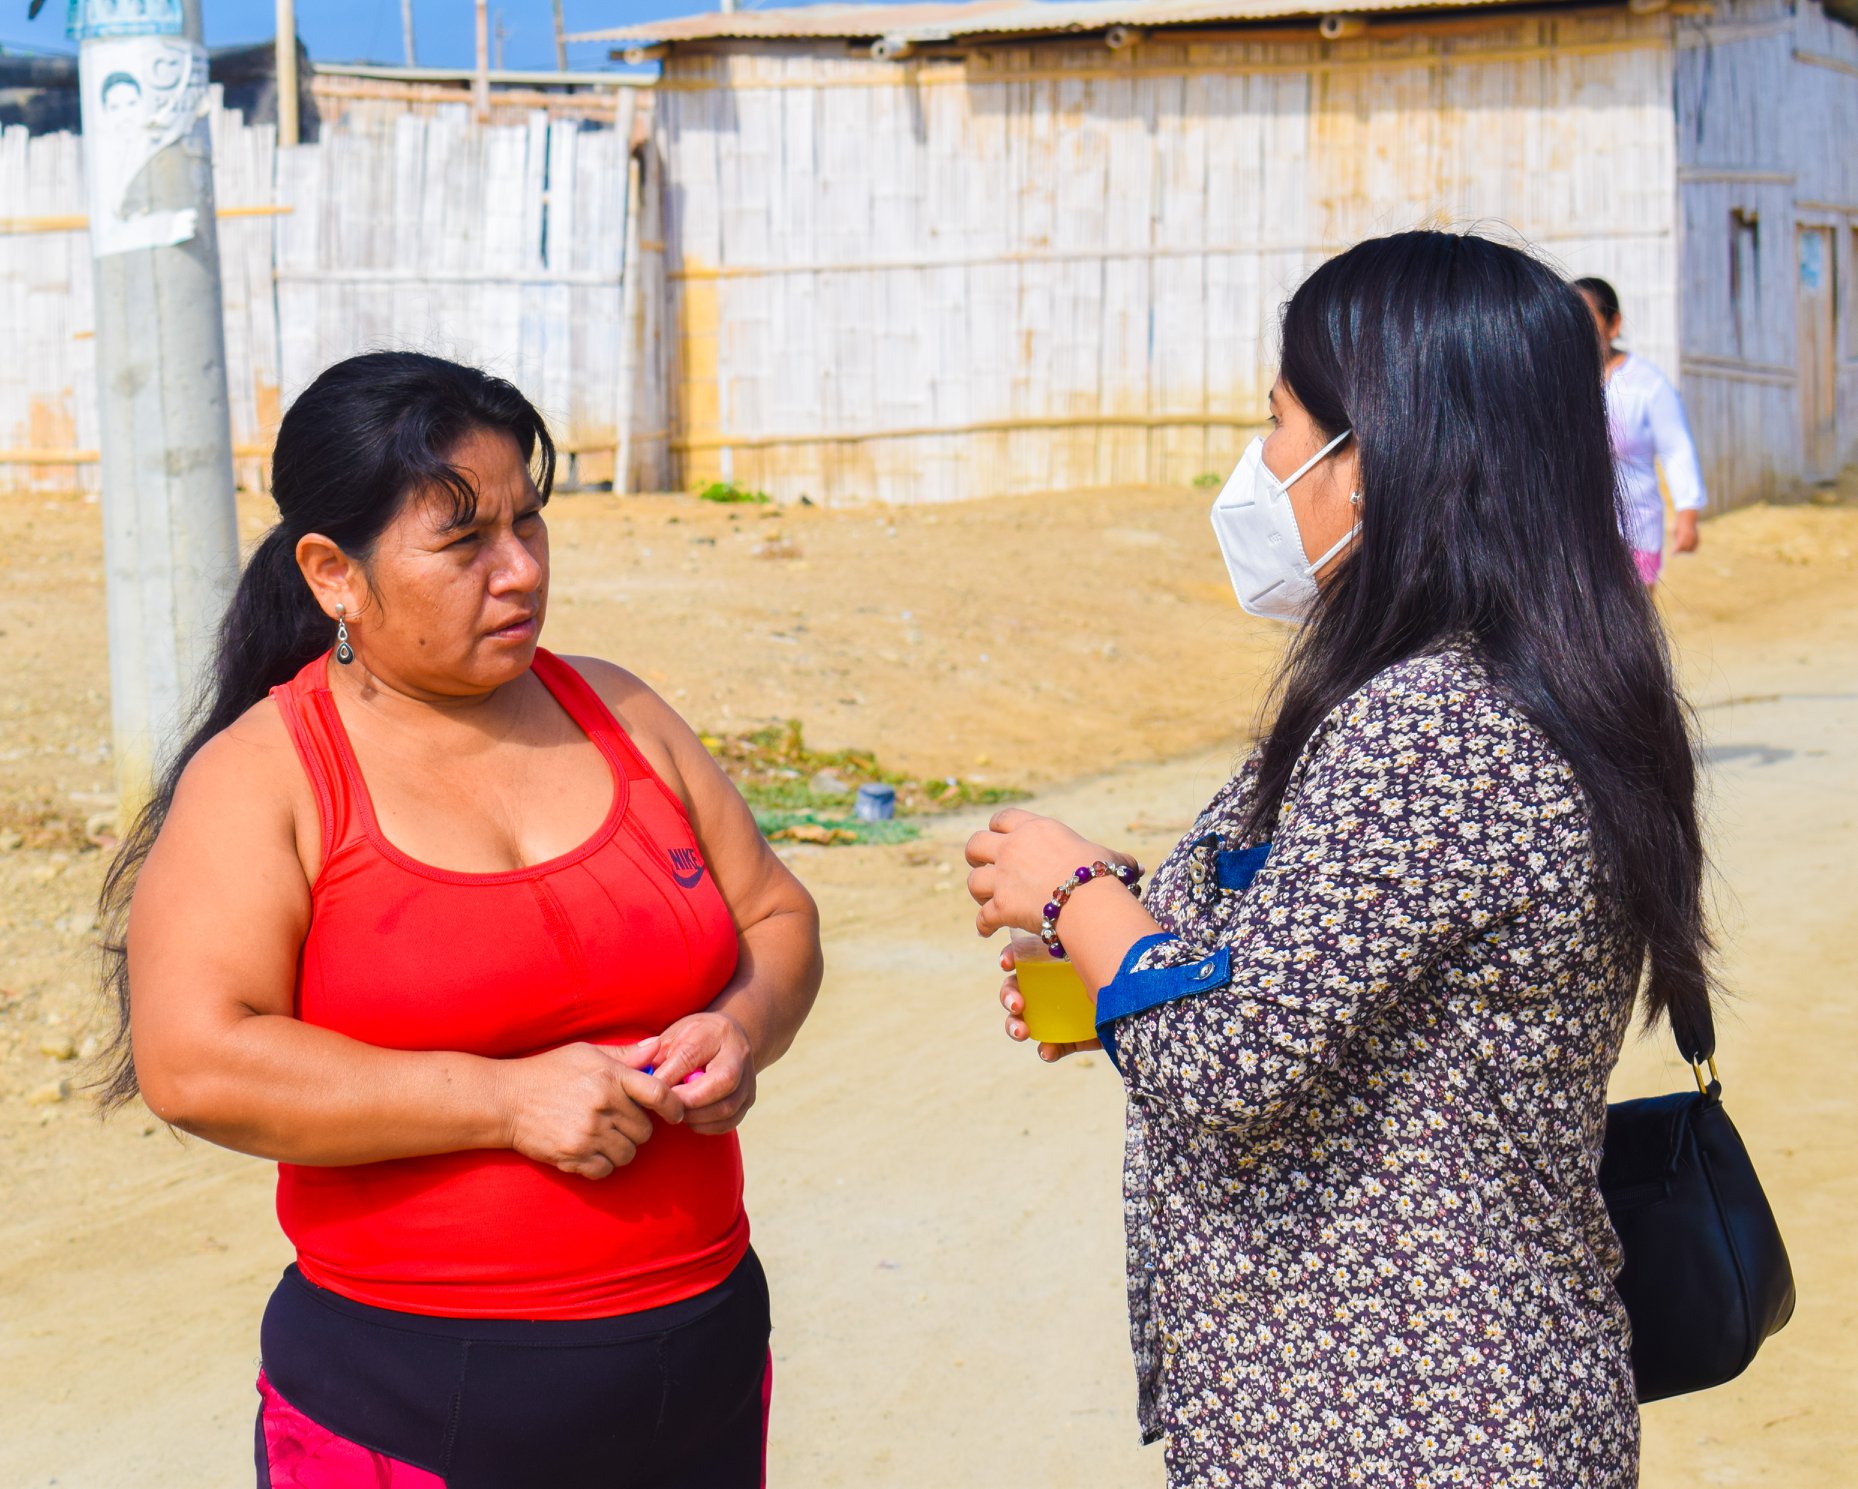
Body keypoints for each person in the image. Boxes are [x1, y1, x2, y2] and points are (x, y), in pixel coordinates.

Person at [967, 232, 1711, 1487]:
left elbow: (1228, 1058)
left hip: (1405, 1422)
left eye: (1279, 423)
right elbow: (1339, 964)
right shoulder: (1497, 686)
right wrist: (1119, 962)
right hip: (1418, 1404)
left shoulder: (1432, 724)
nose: (1260, 464)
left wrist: (1075, 893)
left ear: (1373, 459)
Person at [96, 352, 822, 1488]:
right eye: (465, 540)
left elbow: (776, 914)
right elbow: (193, 1062)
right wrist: (504, 1101)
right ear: (334, 574)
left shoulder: (620, 709)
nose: (520, 569)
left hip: (703, 1370)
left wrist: (743, 1025)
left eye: (529, 523)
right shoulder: (267, 775)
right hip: (408, 1408)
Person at [1575, 275, 1707, 584]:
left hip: (1636, 531)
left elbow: (1676, 447)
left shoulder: (1647, 384)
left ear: (1613, 324)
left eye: (1587, 320)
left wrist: (1687, 513)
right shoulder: (1556, 382)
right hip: (1575, 532)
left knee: (1633, 611)